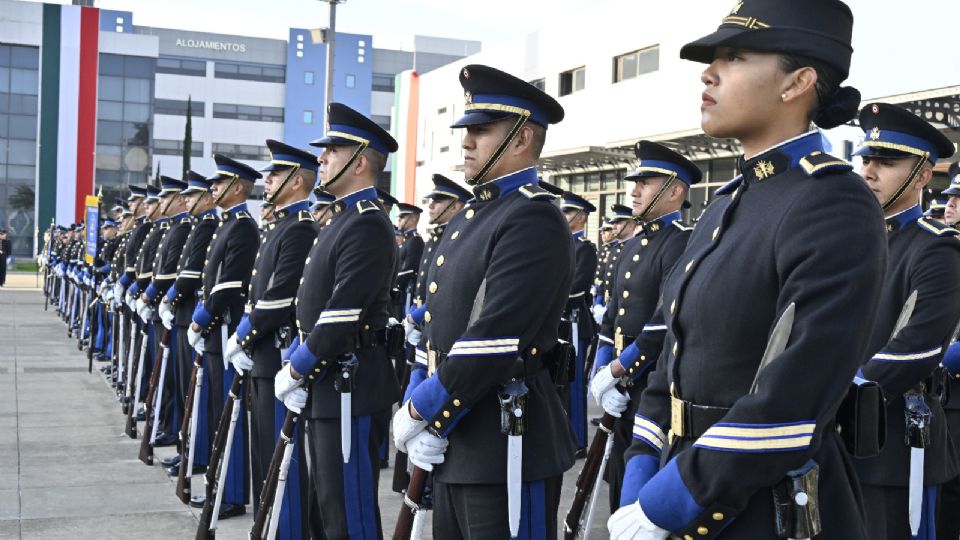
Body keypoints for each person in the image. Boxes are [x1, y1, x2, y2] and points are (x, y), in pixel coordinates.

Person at [608, 1, 887, 538]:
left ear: (797, 83)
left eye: (735, 57)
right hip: (679, 477)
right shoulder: (728, 201)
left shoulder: (832, 201)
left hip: (760, 507)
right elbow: (673, 353)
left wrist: (667, 501)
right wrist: (641, 468)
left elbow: (794, 393)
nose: (709, 73)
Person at [391, 64, 575, 539]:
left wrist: (422, 411)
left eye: (480, 130)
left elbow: (492, 337)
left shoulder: (532, 217)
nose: (465, 142)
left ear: (520, 139)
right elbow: (438, 325)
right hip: (460, 438)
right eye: (466, 130)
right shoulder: (472, 214)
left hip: (503, 440)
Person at [273, 102, 400, 539]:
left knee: (349, 511)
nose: (321, 158)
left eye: (332, 150)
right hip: (329, 382)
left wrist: (298, 365)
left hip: (350, 384)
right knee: (327, 506)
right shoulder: (343, 218)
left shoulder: (366, 223)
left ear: (360, 161)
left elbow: (343, 311)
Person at [852, 102, 960, 540]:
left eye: (887, 162)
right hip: (833, 440)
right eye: (867, 160)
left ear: (921, 176)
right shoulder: (850, 241)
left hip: (895, 445)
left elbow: (915, 348)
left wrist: (833, 394)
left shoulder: (937, 248)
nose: (870, 171)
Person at [591, 141, 700, 512]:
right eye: (634, 181)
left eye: (646, 182)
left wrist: (621, 368)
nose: (634, 190)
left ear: (675, 191)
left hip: (654, 382)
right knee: (620, 473)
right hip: (622, 382)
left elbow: (662, 322)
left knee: (645, 477)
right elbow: (612, 317)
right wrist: (602, 368)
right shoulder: (631, 244)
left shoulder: (680, 242)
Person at [226, 139, 318, 539]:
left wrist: (244, 334)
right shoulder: (280, 225)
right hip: (263, 353)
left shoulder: (299, 229)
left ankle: (290, 531)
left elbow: (280, 296)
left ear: (297, 181)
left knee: (283, 459)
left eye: (275, 173)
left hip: (277, 352)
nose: (266, 179)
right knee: (266, 450)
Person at [186, 154, 261, 519]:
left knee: (227, 416)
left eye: (219, 183)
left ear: (237, 187)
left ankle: (231, 494)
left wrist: (200, 320)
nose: (212, 188)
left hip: (226, 330)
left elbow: (230, 284)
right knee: (217, 412)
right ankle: (218, 486)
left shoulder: (243, 226)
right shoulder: (225, 224)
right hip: (216, 334)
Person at [158, 171, 218, 480]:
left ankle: (196, 453)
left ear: (207, 199)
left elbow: (191, 272)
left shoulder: (206, 227)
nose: (186, 200)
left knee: (192, 391)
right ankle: (187, 449)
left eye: (192, 196)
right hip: (182, 316)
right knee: (184, 389)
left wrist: (168, 297)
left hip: (190, 316)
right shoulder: (195, 226)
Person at [558, 191, 598, 456]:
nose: (562, 217)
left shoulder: (584, 248)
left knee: (573, 385)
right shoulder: (559, 244)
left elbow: (576, 288)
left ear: (580, 217)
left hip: (573, 321)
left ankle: (578, 440)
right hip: (557, 322)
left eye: (567, 213)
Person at [591, 205, 636, 327]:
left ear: (631, 225)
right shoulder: (614, 249)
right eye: (613, 223)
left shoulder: (635, 248)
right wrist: (599, 301)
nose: (613, 227)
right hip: (607, 300)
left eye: (618, 222)